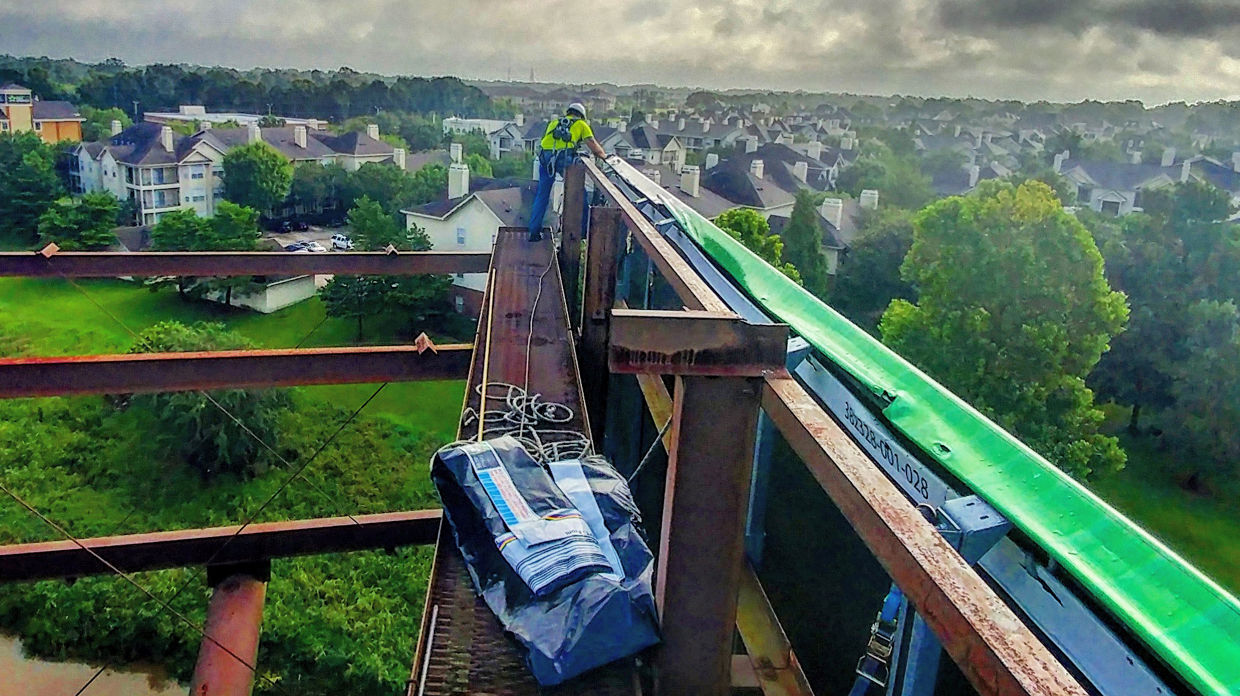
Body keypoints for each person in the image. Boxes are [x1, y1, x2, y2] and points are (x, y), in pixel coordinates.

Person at [528, 102, 608, 241]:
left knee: (542, 195)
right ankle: (583, 230)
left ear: (568, 112)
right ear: (582, 116)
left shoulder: (554, 123)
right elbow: (594, 146)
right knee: (578, 193)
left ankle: (534, 232)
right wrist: (605, 157)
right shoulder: (582, 125)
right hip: (562, 159)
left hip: (544, 158)